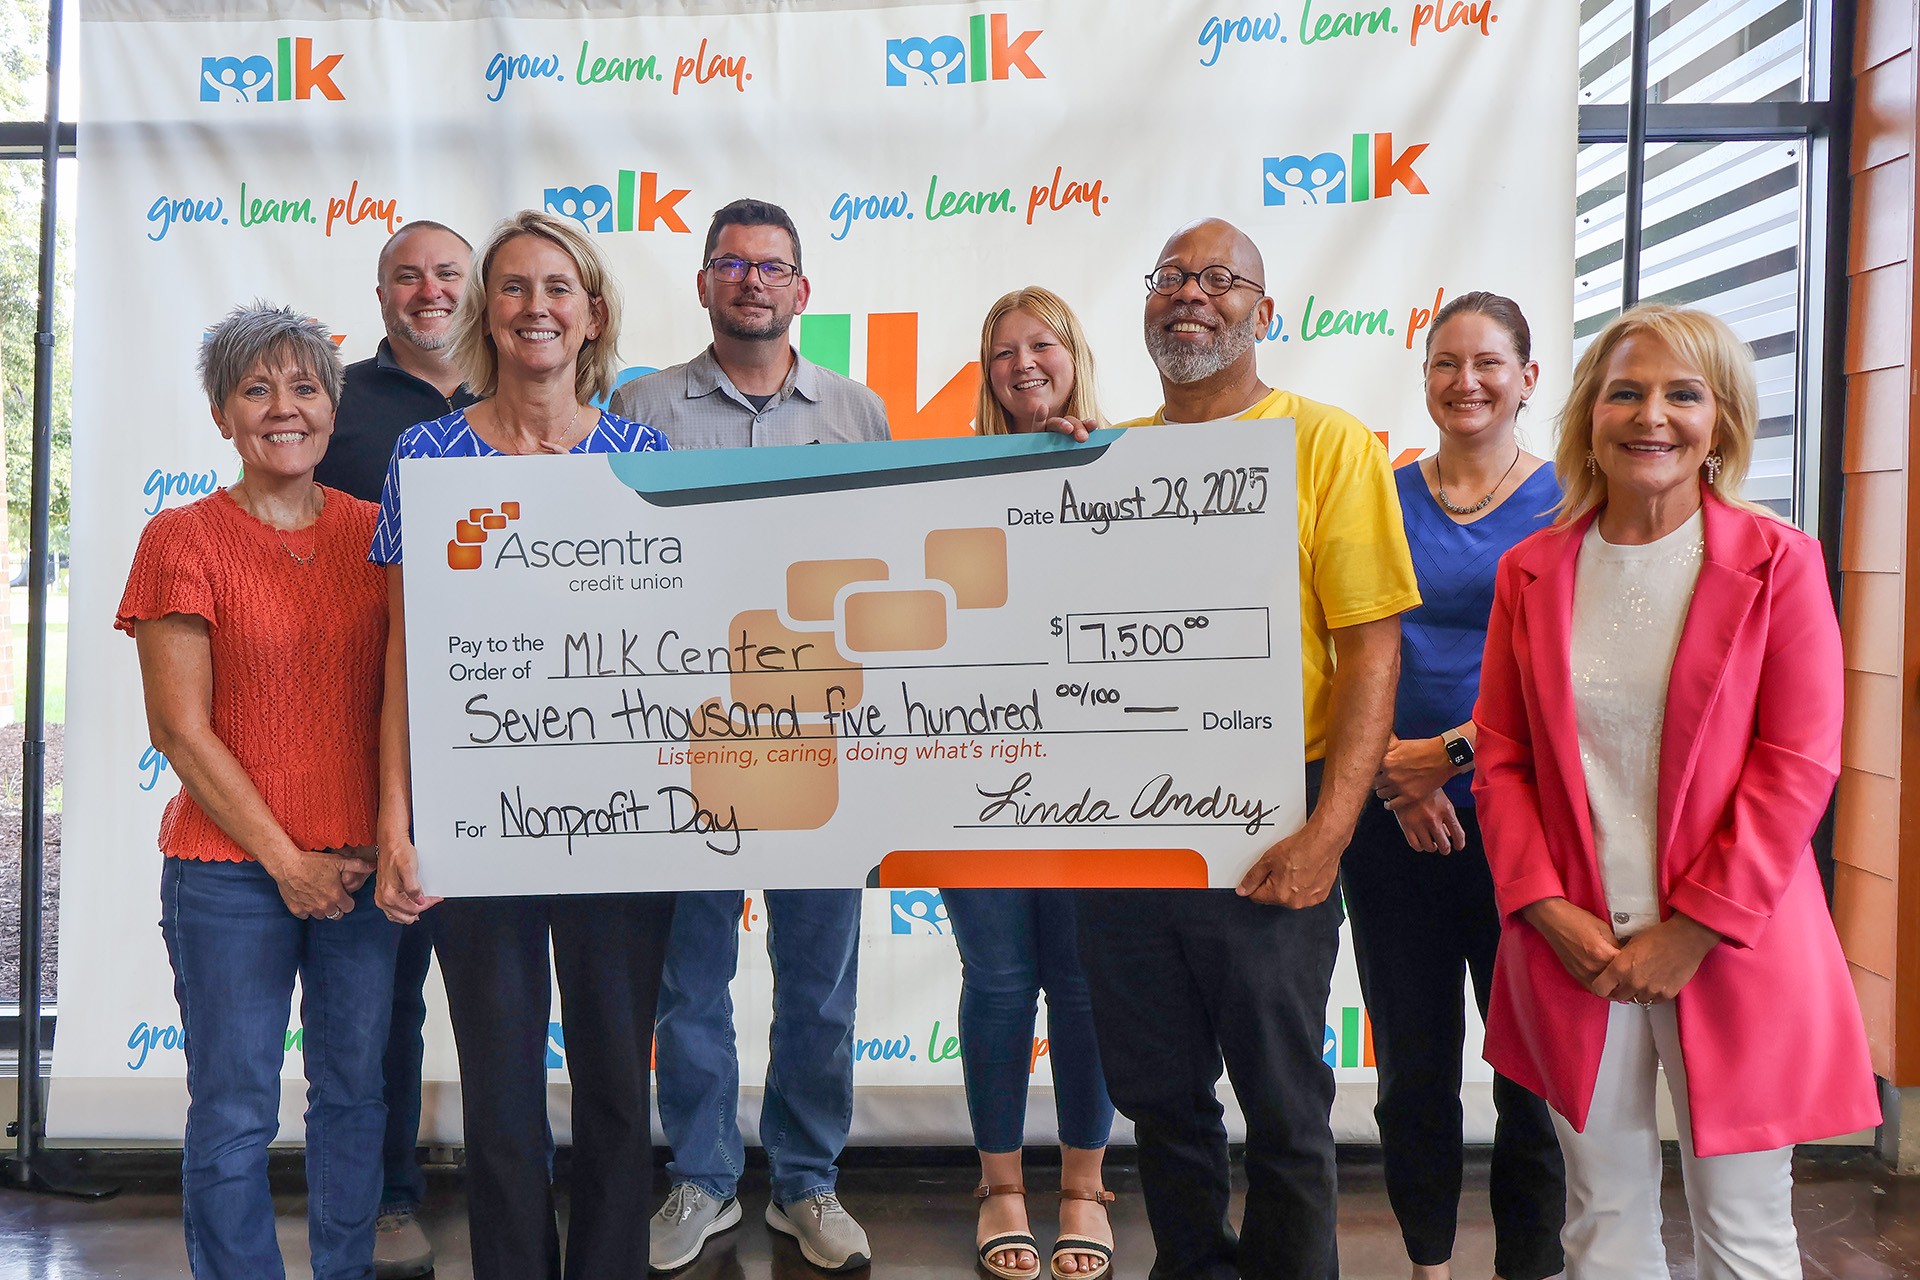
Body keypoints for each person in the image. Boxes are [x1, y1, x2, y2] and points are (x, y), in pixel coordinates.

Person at [1475, 303, 1880, 1277]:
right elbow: (1501, 756)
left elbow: (1798, 762)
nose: (1651, 415)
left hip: (1730, 948)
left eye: (1681, 393)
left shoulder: (1779, 564)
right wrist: (1544, 906)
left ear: (1721, 420)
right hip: (1579, 951)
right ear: (1589, 416)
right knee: (1601, 1227)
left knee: (1743, 1234)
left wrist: (1692, 925)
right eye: (1626, 390)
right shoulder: (1530, 571)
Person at [1075, 218, 1421, 1280]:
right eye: (1171, 276)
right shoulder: (1105, 457)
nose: (1192, 294)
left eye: (1221, 280)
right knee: (1157, 1088)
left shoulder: (1324, 442)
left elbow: (1372, 650)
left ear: (1264, 312)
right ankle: (1190, 1264)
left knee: (1280, 1093)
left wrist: (1331, 830)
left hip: (1276, 814)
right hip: (1121, 818)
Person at [369, 209, 675, 1280]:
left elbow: (677, 654)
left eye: (558, 287)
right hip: (478, 824)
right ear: (484, 312)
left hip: (621, 830)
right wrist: (393, 818)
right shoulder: (426, 453)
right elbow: (405, 655)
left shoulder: (645, 452)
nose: (535, 306)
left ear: (592, 312)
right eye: (512, 287)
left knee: (614, 1088)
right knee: (500, 1093)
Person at [610, 197, 885, 1275]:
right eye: (732, 263)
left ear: (802, 290)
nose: (753, 282)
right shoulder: (639, 404)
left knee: (819, 977)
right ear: (704, 283)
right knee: (692, 978)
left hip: (823, 737)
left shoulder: (857, 412)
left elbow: (882, 568)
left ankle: (808, 1183)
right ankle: (706, 1176)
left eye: (773, 267)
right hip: (690, 740)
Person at [118, 301, 398, 1279]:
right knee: (236, 1106)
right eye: (256, 388)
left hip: (363, 873)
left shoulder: (381, 536)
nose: (285, 407)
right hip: (230, 875)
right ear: (222, 415)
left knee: (356, 1094)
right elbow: (178, 731)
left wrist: (371, 848)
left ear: (334, 407)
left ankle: (345, 1270)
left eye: (306, 386)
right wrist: (288, 862)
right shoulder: (181, 537)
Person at [1344, 292, 1566, 1280]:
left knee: (1530, 1075)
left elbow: (1577, 671)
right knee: (1413, 1075)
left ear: (1527, 376)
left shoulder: (1570, 503)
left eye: (1486, 362)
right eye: (1443, 362)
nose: (1464, 381)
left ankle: (1531, 1265)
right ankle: (1429, 1265)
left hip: (1530, 830)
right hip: (1391, 823)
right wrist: (1395, 769)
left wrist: (1455, 753)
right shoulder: (1378, 496)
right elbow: (1335, 648)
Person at [315, 218, 475, 1280]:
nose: (429, 290)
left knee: (529, 975)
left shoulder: (533, 390)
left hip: (524, 732)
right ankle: (387, 1194)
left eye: (447, 273)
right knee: (390, 979)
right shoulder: (337, 403)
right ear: (380, 293)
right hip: (386, 728)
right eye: (407, 275)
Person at [957, 286, 1115, 1280]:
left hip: (1101, 778)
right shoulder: (948, 475)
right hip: (971, 773)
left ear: (1075, 354)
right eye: (1002, 349)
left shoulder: (1132, 462)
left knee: (1085, 985)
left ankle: (1085, 1187)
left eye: (1042, 343)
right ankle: (1003, 1183)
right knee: (1002, 982)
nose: (1023, 362)